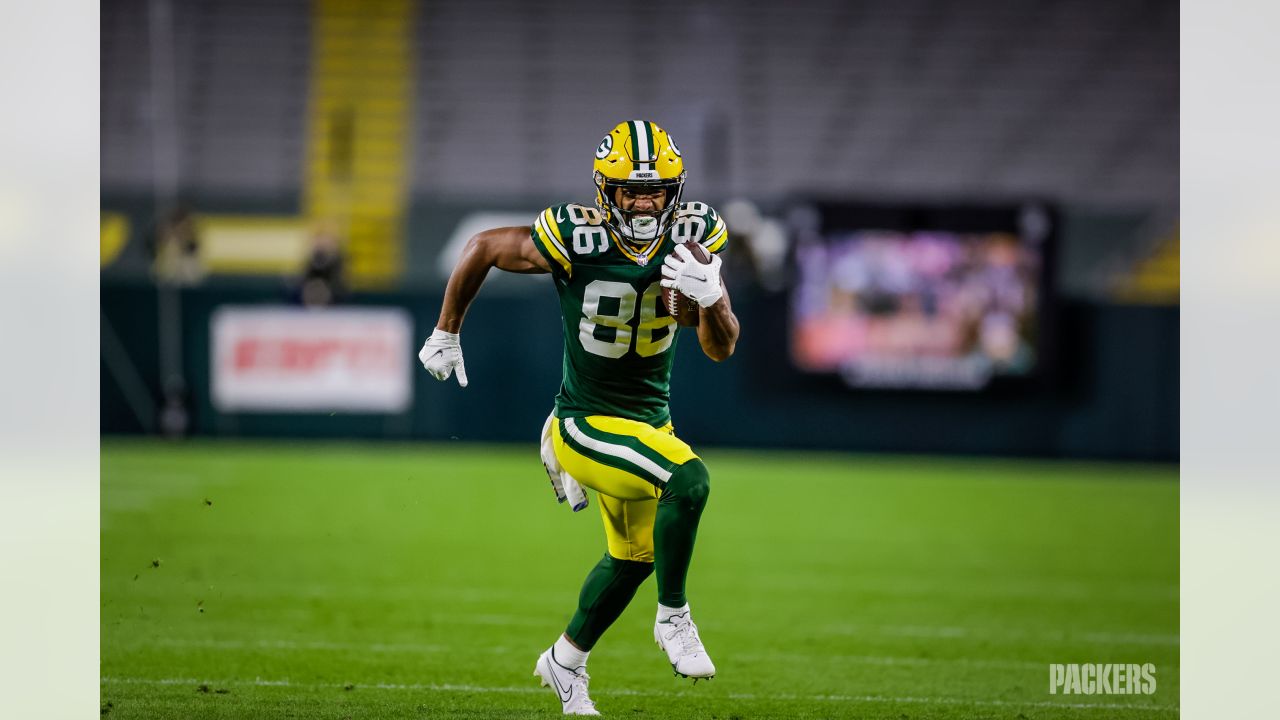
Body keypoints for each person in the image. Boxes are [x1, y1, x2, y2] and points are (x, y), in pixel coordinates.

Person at [419, 120, 739, 716]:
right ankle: (674, 619)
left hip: (648, 422)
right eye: (631, 191)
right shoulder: (576, 235)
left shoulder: (695, 235)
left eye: (656, 191)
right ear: (605, 191)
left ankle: (564, 663)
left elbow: (719, 348)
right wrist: (446, 329)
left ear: (676, 191)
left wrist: (711, 293)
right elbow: (485, 245)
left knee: (634, 560)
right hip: (587, 422)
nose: (645, 203)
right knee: (688, 480)